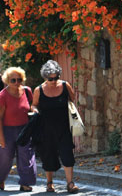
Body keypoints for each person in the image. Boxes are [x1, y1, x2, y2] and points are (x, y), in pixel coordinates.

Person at [32, 60, 79, 193]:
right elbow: (34, 104)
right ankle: (49, 183)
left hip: (63, 127)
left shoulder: (65, 86)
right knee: (48, 156)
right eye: (50, 78)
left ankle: (70, 183)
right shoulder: (39, 90)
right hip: (46, 128)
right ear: (45, 77)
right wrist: (35, 110)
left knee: (67, 154)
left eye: (56, 77)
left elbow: (72, 99)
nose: (54, 80)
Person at [0, 67, 36, 191]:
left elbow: (30, 106)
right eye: (13, 80)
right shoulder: (1, 96)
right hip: (6, 129)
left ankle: (25, 183)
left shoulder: (27, 91)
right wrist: (1, 136)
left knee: (26, 155)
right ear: (7, 81)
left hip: (24, 129)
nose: (17, 83)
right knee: (4, 156)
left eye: (19, 80)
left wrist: (34, 110)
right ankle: (0, 178)